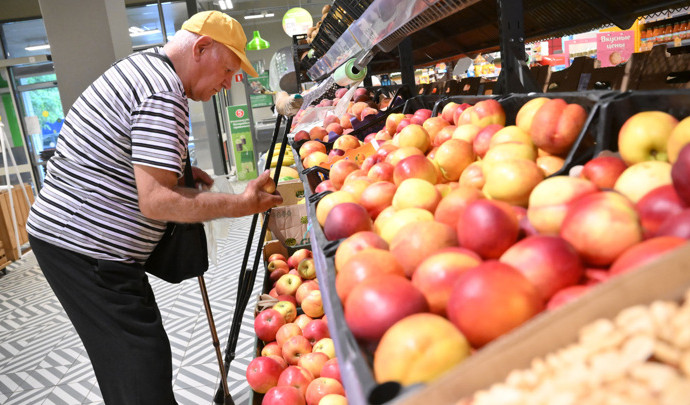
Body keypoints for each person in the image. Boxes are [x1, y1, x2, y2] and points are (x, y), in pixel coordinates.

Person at [26, 11, 282, 405]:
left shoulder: (144, 67)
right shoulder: (163, 92)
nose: (229, 83)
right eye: (228, 69)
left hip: (77, 241)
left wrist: (174, 167)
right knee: (139, 364)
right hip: (85, 246)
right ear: (201, 47)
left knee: (134, 357)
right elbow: (157, 201)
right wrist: (240, 204)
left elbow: (129, 156)